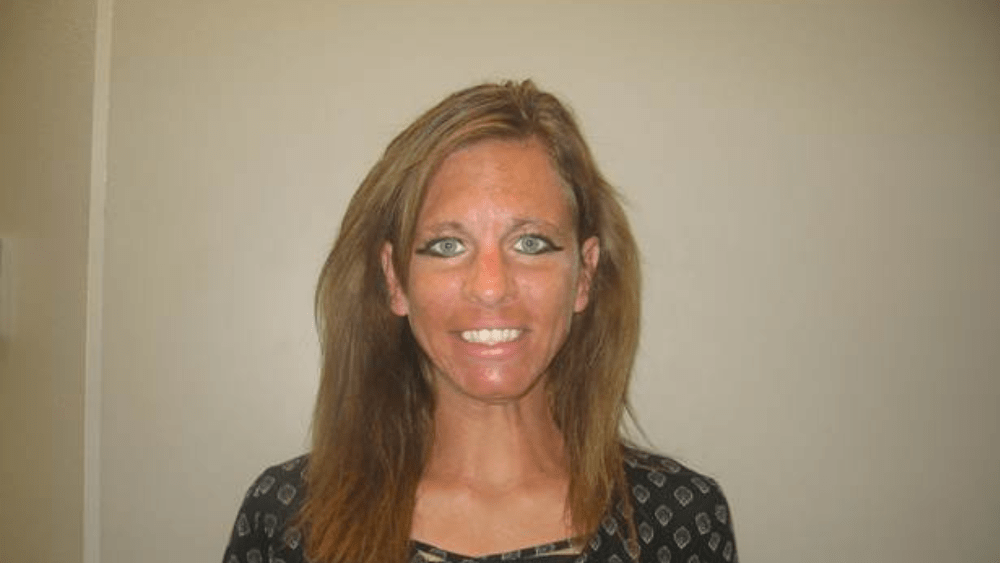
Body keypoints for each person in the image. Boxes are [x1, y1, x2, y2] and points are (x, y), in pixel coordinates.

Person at [222, 80, 737, 563]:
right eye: (447, 246)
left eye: (530, 243)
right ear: (395, 280)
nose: (490, 287)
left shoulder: (683, 519)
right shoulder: (288, 521)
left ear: (584, 276)